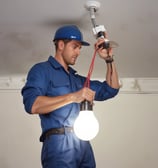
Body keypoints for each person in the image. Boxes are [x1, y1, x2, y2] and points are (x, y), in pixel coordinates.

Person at [21, 25, 120, 168]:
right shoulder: (42, 70)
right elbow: (32, 105)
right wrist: (73, 97)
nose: (78, 52)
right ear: (61, 45)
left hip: (83, 142)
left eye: (80, 48)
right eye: (75, 47)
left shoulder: (78, 80)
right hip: (58, 142)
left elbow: (111, 89)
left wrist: (109, 59)